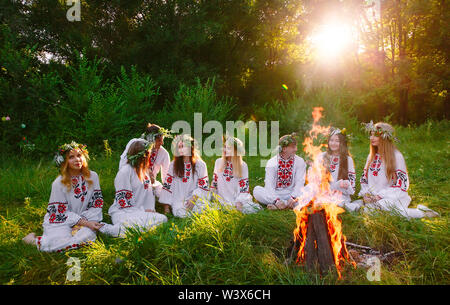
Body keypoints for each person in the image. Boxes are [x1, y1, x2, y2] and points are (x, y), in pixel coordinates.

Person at [22, 142, 105, 252]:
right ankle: (32, 240)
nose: (77, 160)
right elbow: (59, 213)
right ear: (64, 162)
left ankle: (65, 241)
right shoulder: (59, 183)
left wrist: (85, 222)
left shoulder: (92, 176)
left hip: (87, 218)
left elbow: (96, 203)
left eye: (79, 155)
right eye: (71, 157)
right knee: (58, 241)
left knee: (86, 236)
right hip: (61, 221)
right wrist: (81, 223)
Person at [346, 121, 439, 218]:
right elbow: (364, 180)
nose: (371, 138)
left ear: (385, 138)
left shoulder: (396, 156)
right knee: (368, 210)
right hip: (373, 198)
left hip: (393, 196)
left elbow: (401, 184)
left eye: (376, 135)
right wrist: (366, 194)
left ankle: (422, 213)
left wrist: (379, 196)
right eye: (371, 135)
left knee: (374, 211)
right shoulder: (371, 156)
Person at [100, 139, 168, 237]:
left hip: (140, 213)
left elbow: (151, 189)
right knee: (161, 220)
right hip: (124, 213)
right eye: (149, 154)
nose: (151, 157)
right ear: (144, 156)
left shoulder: (144, 171)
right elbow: (123, 203)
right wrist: (143, 211)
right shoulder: (125, 172)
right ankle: (111, 229)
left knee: (162, 220)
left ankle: (127, 231)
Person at [119, 123, 172, 213]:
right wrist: (145, 171)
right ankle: (136, 208)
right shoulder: (135, 143)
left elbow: (166, 177)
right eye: (159, 140)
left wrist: (167, 191)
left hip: (152, 182)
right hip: (133, 179)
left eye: (162, 140)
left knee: (161, 189)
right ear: (151, 139)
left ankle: (167, 209)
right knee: (143, 191)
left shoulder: (164, 153)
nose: (162, 143)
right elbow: (123, 163)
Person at [159, 134, 210, 218]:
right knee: (181, 213)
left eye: (183, 146)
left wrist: (194, 198)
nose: (180, 149)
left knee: (204, 209)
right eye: (179, 147)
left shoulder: (200, 165)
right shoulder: (173, 165)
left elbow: (203, 186)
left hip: (195, 199)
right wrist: (166, 208)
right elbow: (168, 186)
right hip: (179, 201)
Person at [253, 133, 306, 210]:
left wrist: (293, 197)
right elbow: (269, 184)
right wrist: (276, 200)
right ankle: (286, 204)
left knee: (312, 188)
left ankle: (280, 205)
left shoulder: (300, 161)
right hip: (275, 194)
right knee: (257, 190)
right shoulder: (271, 162)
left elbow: (300, 182)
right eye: (293, 147)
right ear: (284, 149)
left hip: (292, 193)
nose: (296, 149)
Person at [210, 135, 262, 214]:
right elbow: (214, 182)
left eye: (228, 148)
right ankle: (226, 207)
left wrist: (239, 201)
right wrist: (211, 196)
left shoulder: (243, 165)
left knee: (249, 208)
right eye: (225, 147)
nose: (225, 150)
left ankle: (234, 207)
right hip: (222, 199)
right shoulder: (218, 162)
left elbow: (244, 188)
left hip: (237, 198)